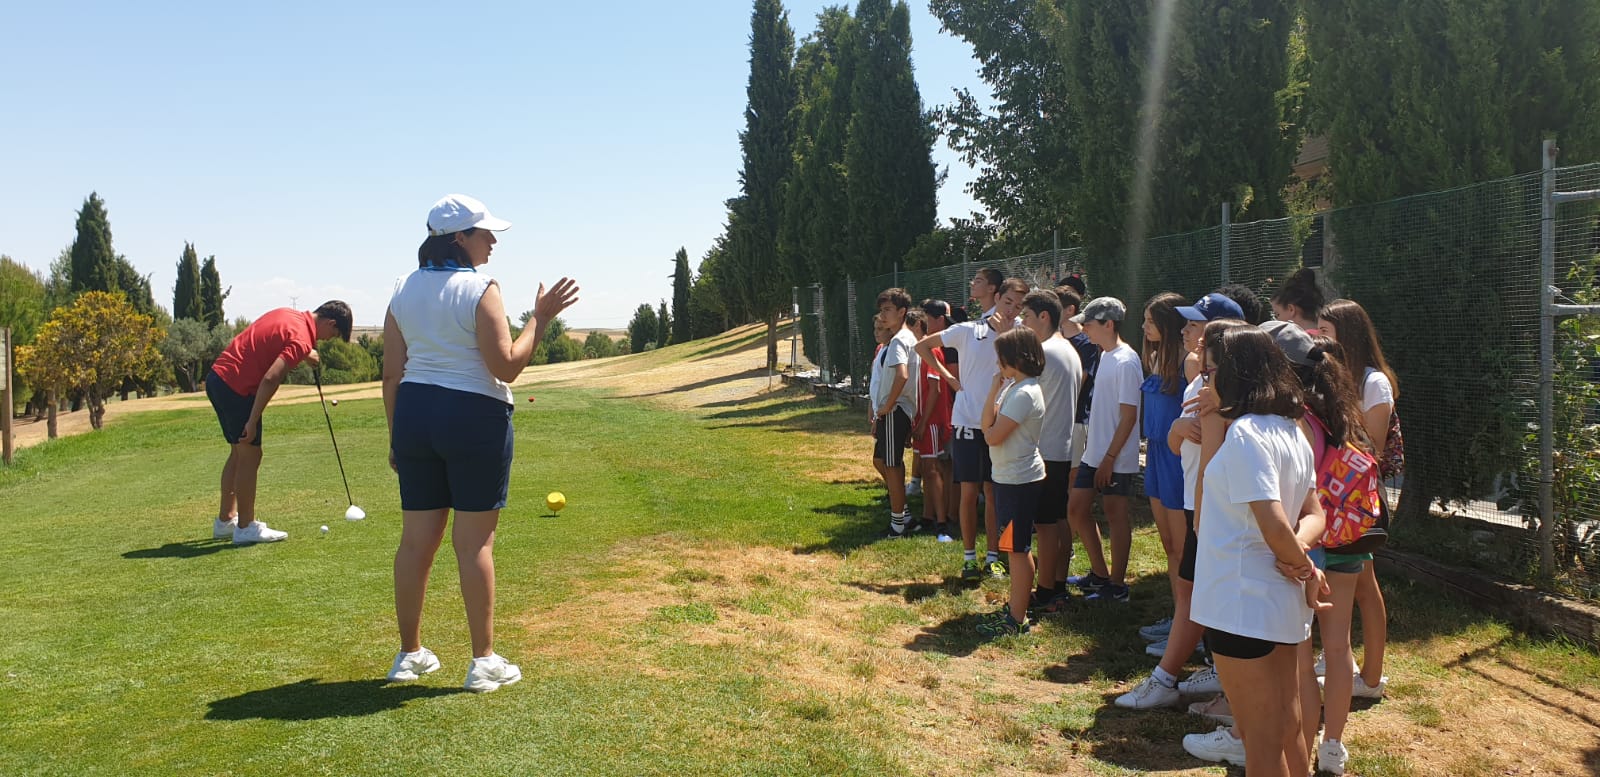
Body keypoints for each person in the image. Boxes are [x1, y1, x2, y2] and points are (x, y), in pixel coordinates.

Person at [382, 193, 579, 692]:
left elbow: (392, 375)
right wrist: (541, 318)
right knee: (474, 544)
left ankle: (409, 656)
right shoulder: (482, 288)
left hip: (415, 416)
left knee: (415, 543)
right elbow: (507, 365)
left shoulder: (401, 289)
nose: (492, 241)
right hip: (473, 416)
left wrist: (396, 437)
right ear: (458, 239)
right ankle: (484, 662)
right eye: (484, 233)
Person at [1183, 325, 1329, 775]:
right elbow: (1315, 515)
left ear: (1235, 374)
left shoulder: (1246, 435)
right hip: (1277, 603)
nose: (1207, 381)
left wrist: (1300, 566)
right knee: (1288, 722)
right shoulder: (1293, 430)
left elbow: (1270, 524)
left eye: (1213, 371)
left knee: (1261, 737)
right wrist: (1301, 560)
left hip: (1239, 602)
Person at [1116, 293, 1244, 710]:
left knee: (1202, 592)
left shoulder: (1225, 388)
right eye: (1186, 325)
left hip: (1210, 507)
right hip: (1195, 501)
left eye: (1196, 326)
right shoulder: (1198, 382)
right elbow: (1174, 441)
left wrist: (1204, 514)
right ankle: (1211, 671)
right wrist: (1179, 425)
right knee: (1194, 590)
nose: (1187, 331)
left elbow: (1213, 453)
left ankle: (1176, 678)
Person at [206, 300, 353, 544]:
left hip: (218, 378)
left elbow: (271, 340)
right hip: (238, 388)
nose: (328, 340)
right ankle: (245, 527)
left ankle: (225, 522)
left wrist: (305, 352)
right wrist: (252, 420)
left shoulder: (290, 315)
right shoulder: (302, 339)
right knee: (251, 454)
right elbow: (271, 379)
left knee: (238, 452)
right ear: (331, 323)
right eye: (333, 334)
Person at [917, 273, 1022, 579]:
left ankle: (993, 557)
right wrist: (949, 378)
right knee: (968, 490)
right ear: (998, 296)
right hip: (967, 422)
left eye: (1017, 305)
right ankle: (968, 558)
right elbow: (923, 347)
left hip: (1001, 423)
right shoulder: (967, 330)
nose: (1011, 309)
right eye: (1008, 302)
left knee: (993, 492)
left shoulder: (1018, 333)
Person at [1316, 299, 1395, 702]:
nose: (1318, 339)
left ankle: (1372, 675)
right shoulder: (1335, 376)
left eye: (1325, 332)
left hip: (1356, 502)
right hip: (1335, 500)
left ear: (1348, 335)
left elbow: (1373, 448)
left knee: (1365, 587)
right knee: (1356, 584)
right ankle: (1345, 663)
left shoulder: (1373, 382)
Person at [1065, 297, 1141, 602]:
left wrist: (1110, 458)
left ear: (1108, 325)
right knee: (1076, 510)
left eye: (1089, 324)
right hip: (1094, 454)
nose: (1084, 329)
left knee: (1115, 514)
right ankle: (1099, 573)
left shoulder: (1126, 361)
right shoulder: (1106, 356)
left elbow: (1129, 415)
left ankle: (1117, 584)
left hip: (1115, 457)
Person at [975, 327, 1048, 637]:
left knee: (1017, 549)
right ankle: (1015, 611)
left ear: (1015, 358)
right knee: (1012, 547)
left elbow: (991, 435)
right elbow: (985, 424)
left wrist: (991, 422)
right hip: (1008, 478)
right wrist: (994, 389)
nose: (997, 364)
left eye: (1000, 358)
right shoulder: (1013, 387)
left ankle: (1017, 619)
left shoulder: (1025, 392)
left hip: (1018, 481)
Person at [1019, 290, 1082, 614]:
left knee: (1044, 525)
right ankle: (1057, 584)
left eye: (1026, 317)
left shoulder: (1045, 352)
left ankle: (1045, 591)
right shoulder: (1068, 350)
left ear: (1044, 316)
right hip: (1060, 446)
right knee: (1057, 520)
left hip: (1044, 449)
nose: (1023, 324)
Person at [1138, 292, 1190, 648]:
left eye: (1151, 321)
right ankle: (1179, 618)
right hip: (1155, 454)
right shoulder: (1155, 358)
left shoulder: (1189, 363)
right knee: (1170, 546)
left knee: (1185, 549)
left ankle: (1193, 631)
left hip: (1178, 459)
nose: (1144, 328)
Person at [869, 288, 920, 539]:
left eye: (888, 310)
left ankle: (898, 524)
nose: (884, 315)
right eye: (882, 310)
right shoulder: (900, 339)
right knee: (881, 461)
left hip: (896, 411)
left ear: (902, 312)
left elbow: (902, 375)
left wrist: (888, 406)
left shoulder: (900, 340)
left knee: (892, 466)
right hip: (893, 411)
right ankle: (905, 515)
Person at [910, 305, 955, 541]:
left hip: (932, 421)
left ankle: (941, 523)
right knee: (927, 470)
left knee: (933, 468)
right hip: (922, 420)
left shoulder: (932, 351)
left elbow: (936, 390)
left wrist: (923, 422)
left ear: (918, 325)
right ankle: (928, 517)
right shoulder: (917, 351)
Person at [1271, 268, 1324, 333]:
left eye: (1277, 315)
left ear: (1291, 309)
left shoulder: (1291, 341)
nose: (1276, 321)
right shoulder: (1329, 336)